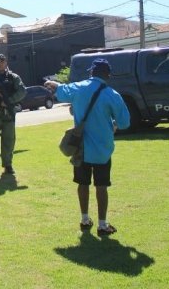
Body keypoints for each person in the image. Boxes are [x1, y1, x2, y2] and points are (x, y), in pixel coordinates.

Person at [45, 58, 130, 236]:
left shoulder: (78, 87)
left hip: (81, 147)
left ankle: (85, 219)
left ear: (91, 72)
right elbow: (124, 123)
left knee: (82, 183)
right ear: (108, 75)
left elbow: (60, 91)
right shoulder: (112, 94)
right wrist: (113, 124)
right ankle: (102, 224)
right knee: (102, 186)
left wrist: (53, 83)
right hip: (103, 149)